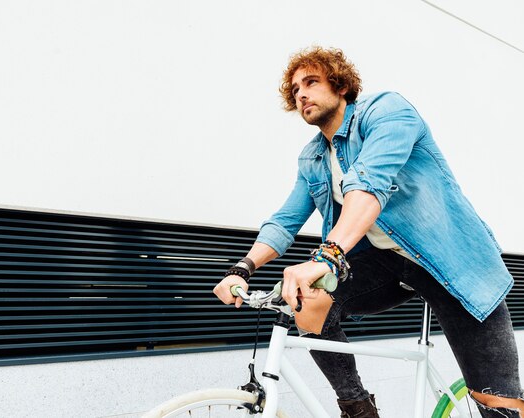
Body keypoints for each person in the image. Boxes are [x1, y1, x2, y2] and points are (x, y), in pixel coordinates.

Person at [213, 46, 524, 418]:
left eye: (311, 82)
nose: (301, 94)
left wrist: (326, 256)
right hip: (386, 266)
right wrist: (242, 268)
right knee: (308, 301)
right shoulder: (312, 157)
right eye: (295, 90)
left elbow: (368, 185)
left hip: (453, 267)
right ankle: (358, 409)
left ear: (341, 85)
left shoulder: (387, 111)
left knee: (500, 404)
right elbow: (284, 221)